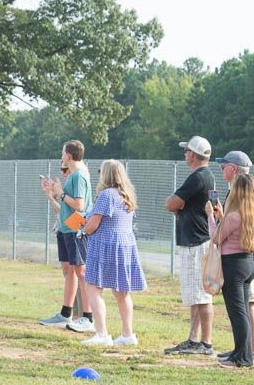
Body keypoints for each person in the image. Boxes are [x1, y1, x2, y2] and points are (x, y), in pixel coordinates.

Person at [79, 160, 146, 346]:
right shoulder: (127, 196)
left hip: (105, 244)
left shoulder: (106, 195)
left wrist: (83, 226)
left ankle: (102, 334)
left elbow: (92, 226)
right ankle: (127, 334)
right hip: (124, 245)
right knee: (121, 291)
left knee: (92, 287)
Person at [162, 136, 217, 356]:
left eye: (186, 151)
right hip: (193, 239)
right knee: (195, 295)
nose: (185, 154)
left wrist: (179, 205)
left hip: (196, 241)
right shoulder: (205, 175)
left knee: (202, 295)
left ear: (192, 154)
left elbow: (171, 203)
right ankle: (194, 339)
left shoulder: (198, 177)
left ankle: (206, 343)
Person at [211, 150, 254, 362]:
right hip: (248, 261)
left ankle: (244, 355)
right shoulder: (252, 211)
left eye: (224, 166)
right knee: (243, 308)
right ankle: (242, 350)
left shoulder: (234, 214)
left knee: (239, 312)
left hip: (234, 264)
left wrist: (210, 217)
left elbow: (216, 237)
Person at [38, 141, 93, 331]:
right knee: (70, 270)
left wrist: (60, 194)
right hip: (66, 227)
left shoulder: (79, 176)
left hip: (76, 228)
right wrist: (56, 191)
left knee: (81, 272)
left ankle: (88, 317)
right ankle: (65, 314)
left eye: (62, 153)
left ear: (69, 155)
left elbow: (79, 205)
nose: (61, 156)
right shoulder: (73, 176)